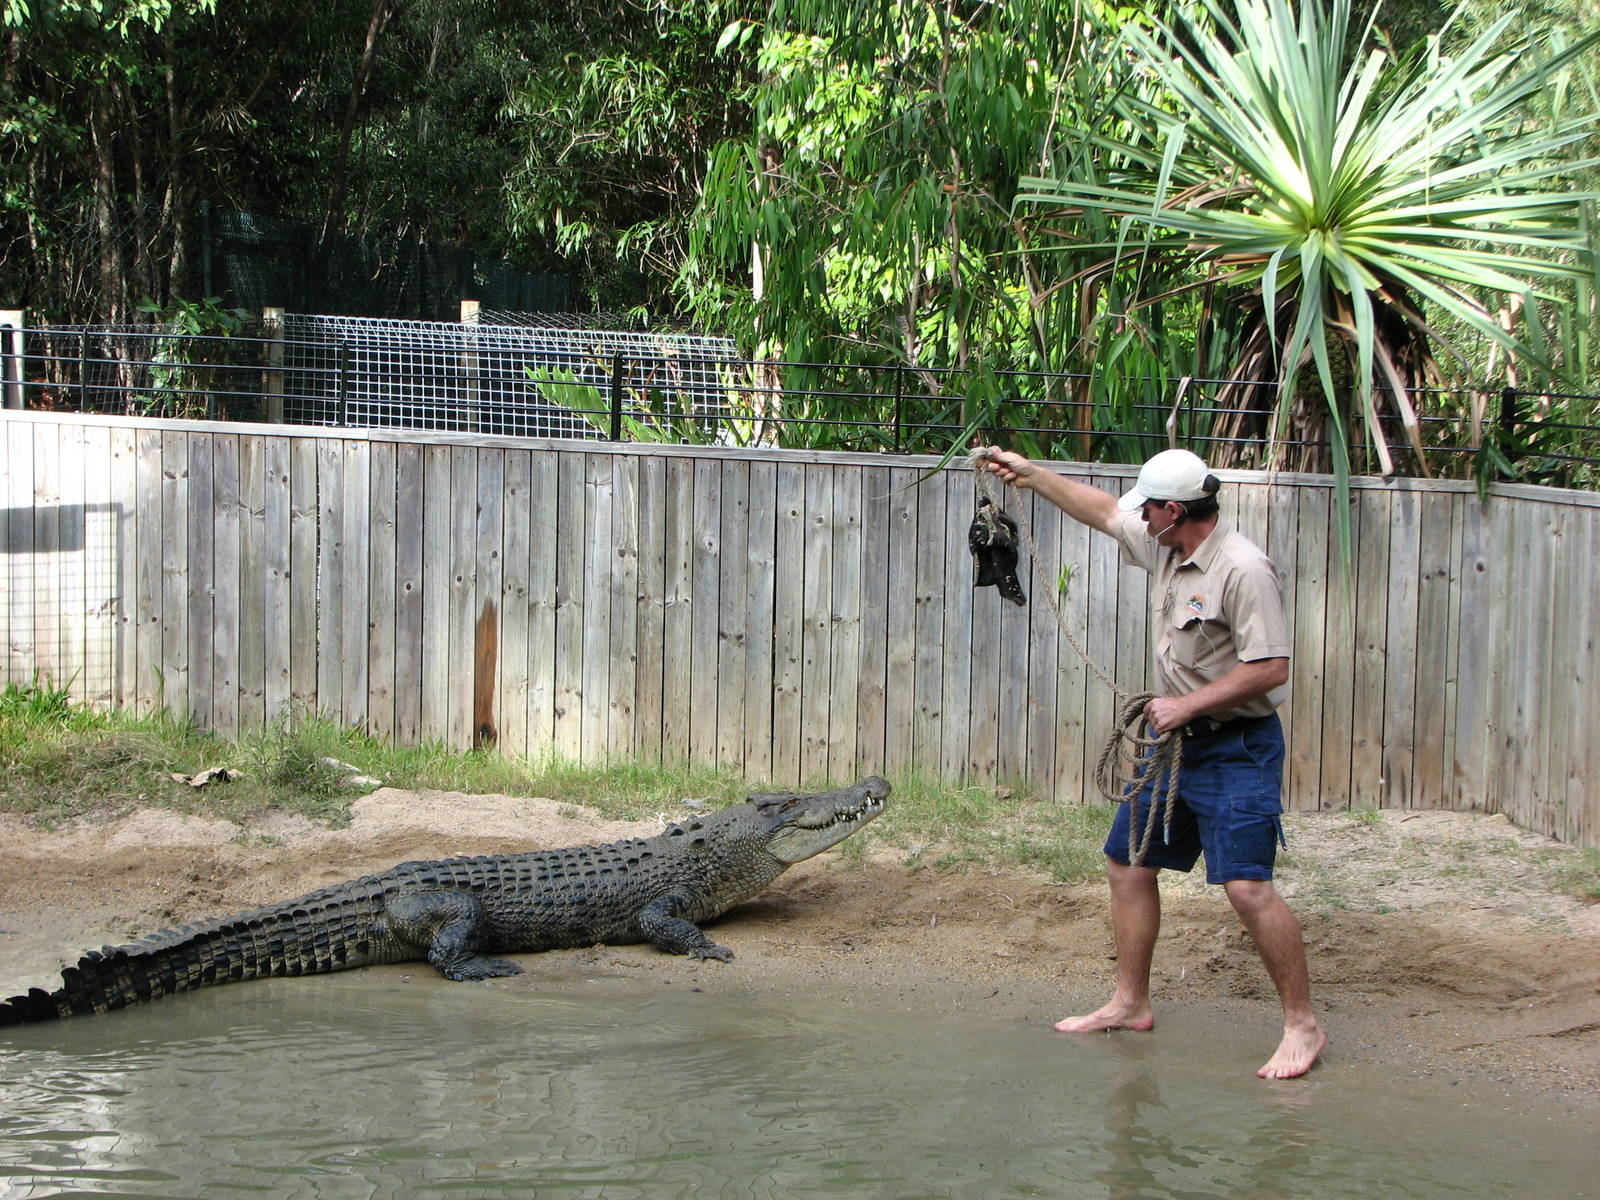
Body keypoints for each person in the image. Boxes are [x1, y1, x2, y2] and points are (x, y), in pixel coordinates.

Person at [983, 445, 1326, 1080]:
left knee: (1247, 887)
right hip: (1177, 745)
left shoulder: (1243, 569)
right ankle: (1130, 1001)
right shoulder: (1167, 543)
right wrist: (1030, 476)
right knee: (1129, 864)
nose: (1139, 519)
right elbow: (1104, 512)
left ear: (1176, 509)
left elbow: (1271, 668)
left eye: (1149, 510)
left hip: (1236, 747)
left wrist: (1186, 704)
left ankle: (1302, 1025)